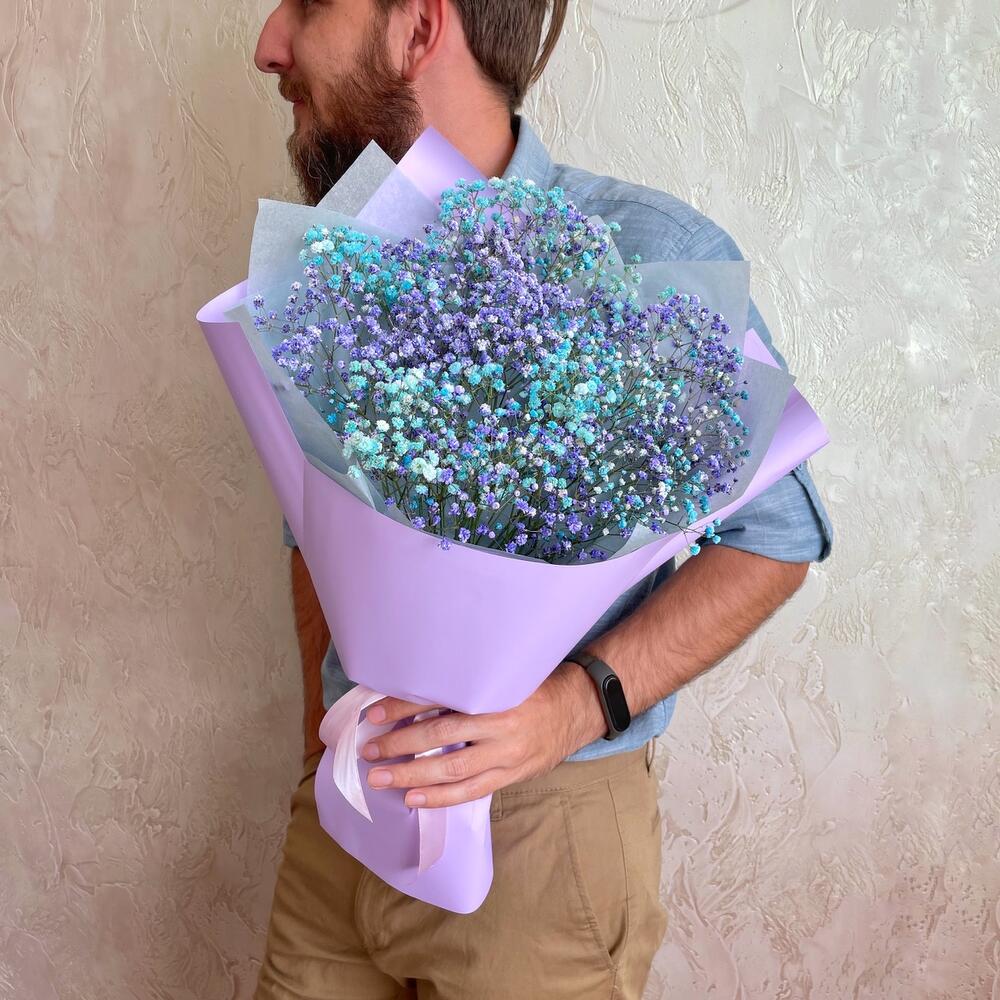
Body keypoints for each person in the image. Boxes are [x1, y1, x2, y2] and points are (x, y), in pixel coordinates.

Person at [251, 2, 834, 997]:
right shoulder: (335, 262)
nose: (271, 43)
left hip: (539, 832)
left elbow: (775, 537)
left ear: (419, 28)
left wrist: (568, 710)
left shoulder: (646, 250)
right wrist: (323, 729)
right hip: (343, 814)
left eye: (310, 3)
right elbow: (310, 525)